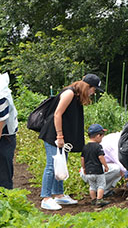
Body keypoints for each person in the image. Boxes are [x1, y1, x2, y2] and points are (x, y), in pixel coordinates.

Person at [38, 74, 102, 211]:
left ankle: (59, 194)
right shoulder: (69, 93)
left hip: (63, 136)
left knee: (61, 163)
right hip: (53, 134)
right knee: (52, 165)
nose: (93, 93)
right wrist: (59, 136)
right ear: (87, 86)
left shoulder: (77, 95)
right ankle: (46, 198)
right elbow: (57, 114)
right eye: (93, 89)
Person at [80, 124, 122, 207]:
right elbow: (101, 157)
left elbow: (82, 159)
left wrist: (84, 168)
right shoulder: (98, 146)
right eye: (102, 136)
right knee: (101, 185)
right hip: (97, 171)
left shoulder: (85, 147)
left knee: (92, 186)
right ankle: (99, 199)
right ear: (98, 136)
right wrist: (105, 166)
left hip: (88, 171)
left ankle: (93, 200)